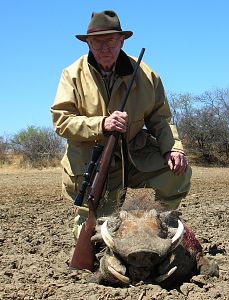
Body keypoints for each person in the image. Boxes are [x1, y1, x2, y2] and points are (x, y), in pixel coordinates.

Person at [51, 10, 192, 239]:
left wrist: (174, 147)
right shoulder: (71, 75)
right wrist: (102, 124)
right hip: (92, 163)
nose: (105, 49)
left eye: (111, 42)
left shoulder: (146, 75)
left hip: (135, 156)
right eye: (98, 43)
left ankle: (160, 224)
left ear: (122, 40)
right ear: (87, 43)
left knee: (177, 172)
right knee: (95, 235)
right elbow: (61, 120)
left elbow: (161, 118)